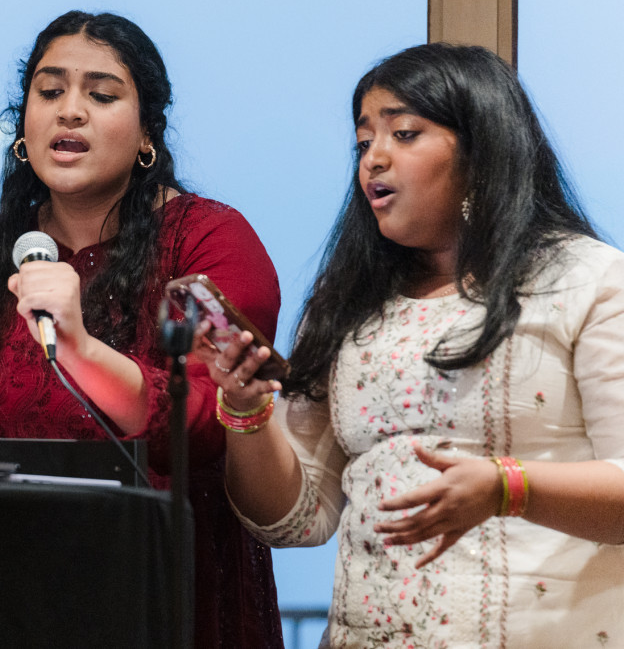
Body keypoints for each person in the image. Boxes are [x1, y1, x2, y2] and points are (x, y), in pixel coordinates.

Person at [198, 42, 624, 647]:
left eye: (403, 133)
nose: (373, 159)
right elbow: (295, 519)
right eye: (363, 142)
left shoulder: (588, 279)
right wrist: (244, 411)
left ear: (481, 149)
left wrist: (507, 487)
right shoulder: (345, 303)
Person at [0, 11, 285, 647]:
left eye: (101, 95)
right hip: (9, 587)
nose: (69, 111)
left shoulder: (211, 239)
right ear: (22, 126)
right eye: (49, 92)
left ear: (146, 136)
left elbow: (211, 420)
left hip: (163, 585)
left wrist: (79, 349)